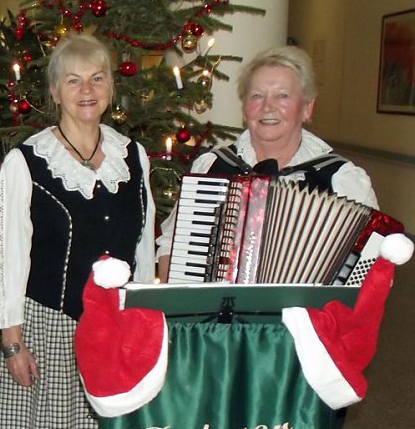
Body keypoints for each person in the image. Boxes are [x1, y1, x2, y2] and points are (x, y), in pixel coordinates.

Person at [0, 34, 157, 429]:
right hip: (50, 328)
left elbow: (143, 242)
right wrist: (12, 339)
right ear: (55, 91)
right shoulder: (28, 162)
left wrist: (145, 317)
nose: (87, 90)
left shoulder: (134, 156)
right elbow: (8, 254)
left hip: (119, 326)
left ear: (110, 89)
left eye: (98, 78)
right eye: (74, 80)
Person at [157, 45, 378, 280]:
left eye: (282, 95)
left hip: (306, 315)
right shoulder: (212, 167)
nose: (268, 107)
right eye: (257, 95)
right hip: (218, 312)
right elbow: (172, 246)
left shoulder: (341, 179)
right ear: (244, 110)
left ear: (307, 108)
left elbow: (370, 270)